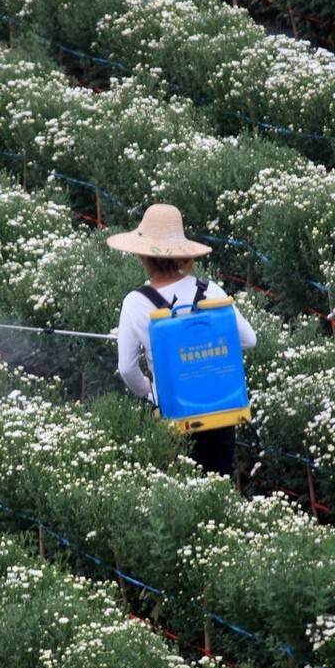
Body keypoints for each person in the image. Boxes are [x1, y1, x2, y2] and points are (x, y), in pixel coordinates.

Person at [107, 204, 257, 477]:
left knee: (184, 488)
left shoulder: (136, 302)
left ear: (144, 255)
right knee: (218, 486)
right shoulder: (209, 289)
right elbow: (249, 339)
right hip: (221, 410)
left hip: (176, 414)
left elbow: (128, 369)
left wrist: (151, 394)